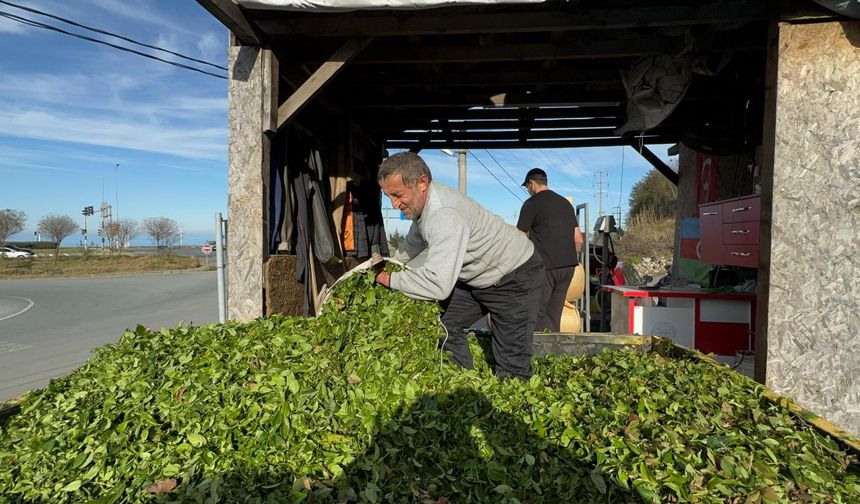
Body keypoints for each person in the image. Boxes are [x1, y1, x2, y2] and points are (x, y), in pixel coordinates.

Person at [373, 152, 544, 380]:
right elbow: (416, 238)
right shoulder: (424, 207)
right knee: (443, 324)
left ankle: (509, 400)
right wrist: (393, 263)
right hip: (478, 278)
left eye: (397, 195)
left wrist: (388, 279)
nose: (394, 204)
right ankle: (461, 380)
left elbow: (437, 284)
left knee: (512, 362)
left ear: (422, 183)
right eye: (388, 196)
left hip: (514, 276)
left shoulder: (444, 214)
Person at [517, 168, 584, 332]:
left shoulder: (532, 203)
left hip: (544, 268)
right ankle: (552, 354)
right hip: (568, 268)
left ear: (531, 183)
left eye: (527, 187)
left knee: (536, 313)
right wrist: (566, 257)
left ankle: (537, 353)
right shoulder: (565, 203)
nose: (528, 190)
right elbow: (579, 240)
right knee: (555, 313)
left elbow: (518, 237)